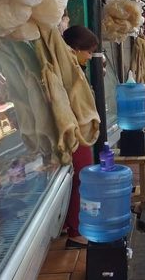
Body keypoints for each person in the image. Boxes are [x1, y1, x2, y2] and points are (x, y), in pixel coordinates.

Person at [61, 25, 99, 249]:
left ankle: (69, 223)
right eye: (88, 51)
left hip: (74, 133)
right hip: (74, 134)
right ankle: (76, 233)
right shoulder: (68, 69)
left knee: (75, 180)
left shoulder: (72, 66)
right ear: (75, 48)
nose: (90, 56)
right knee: (82, 180)